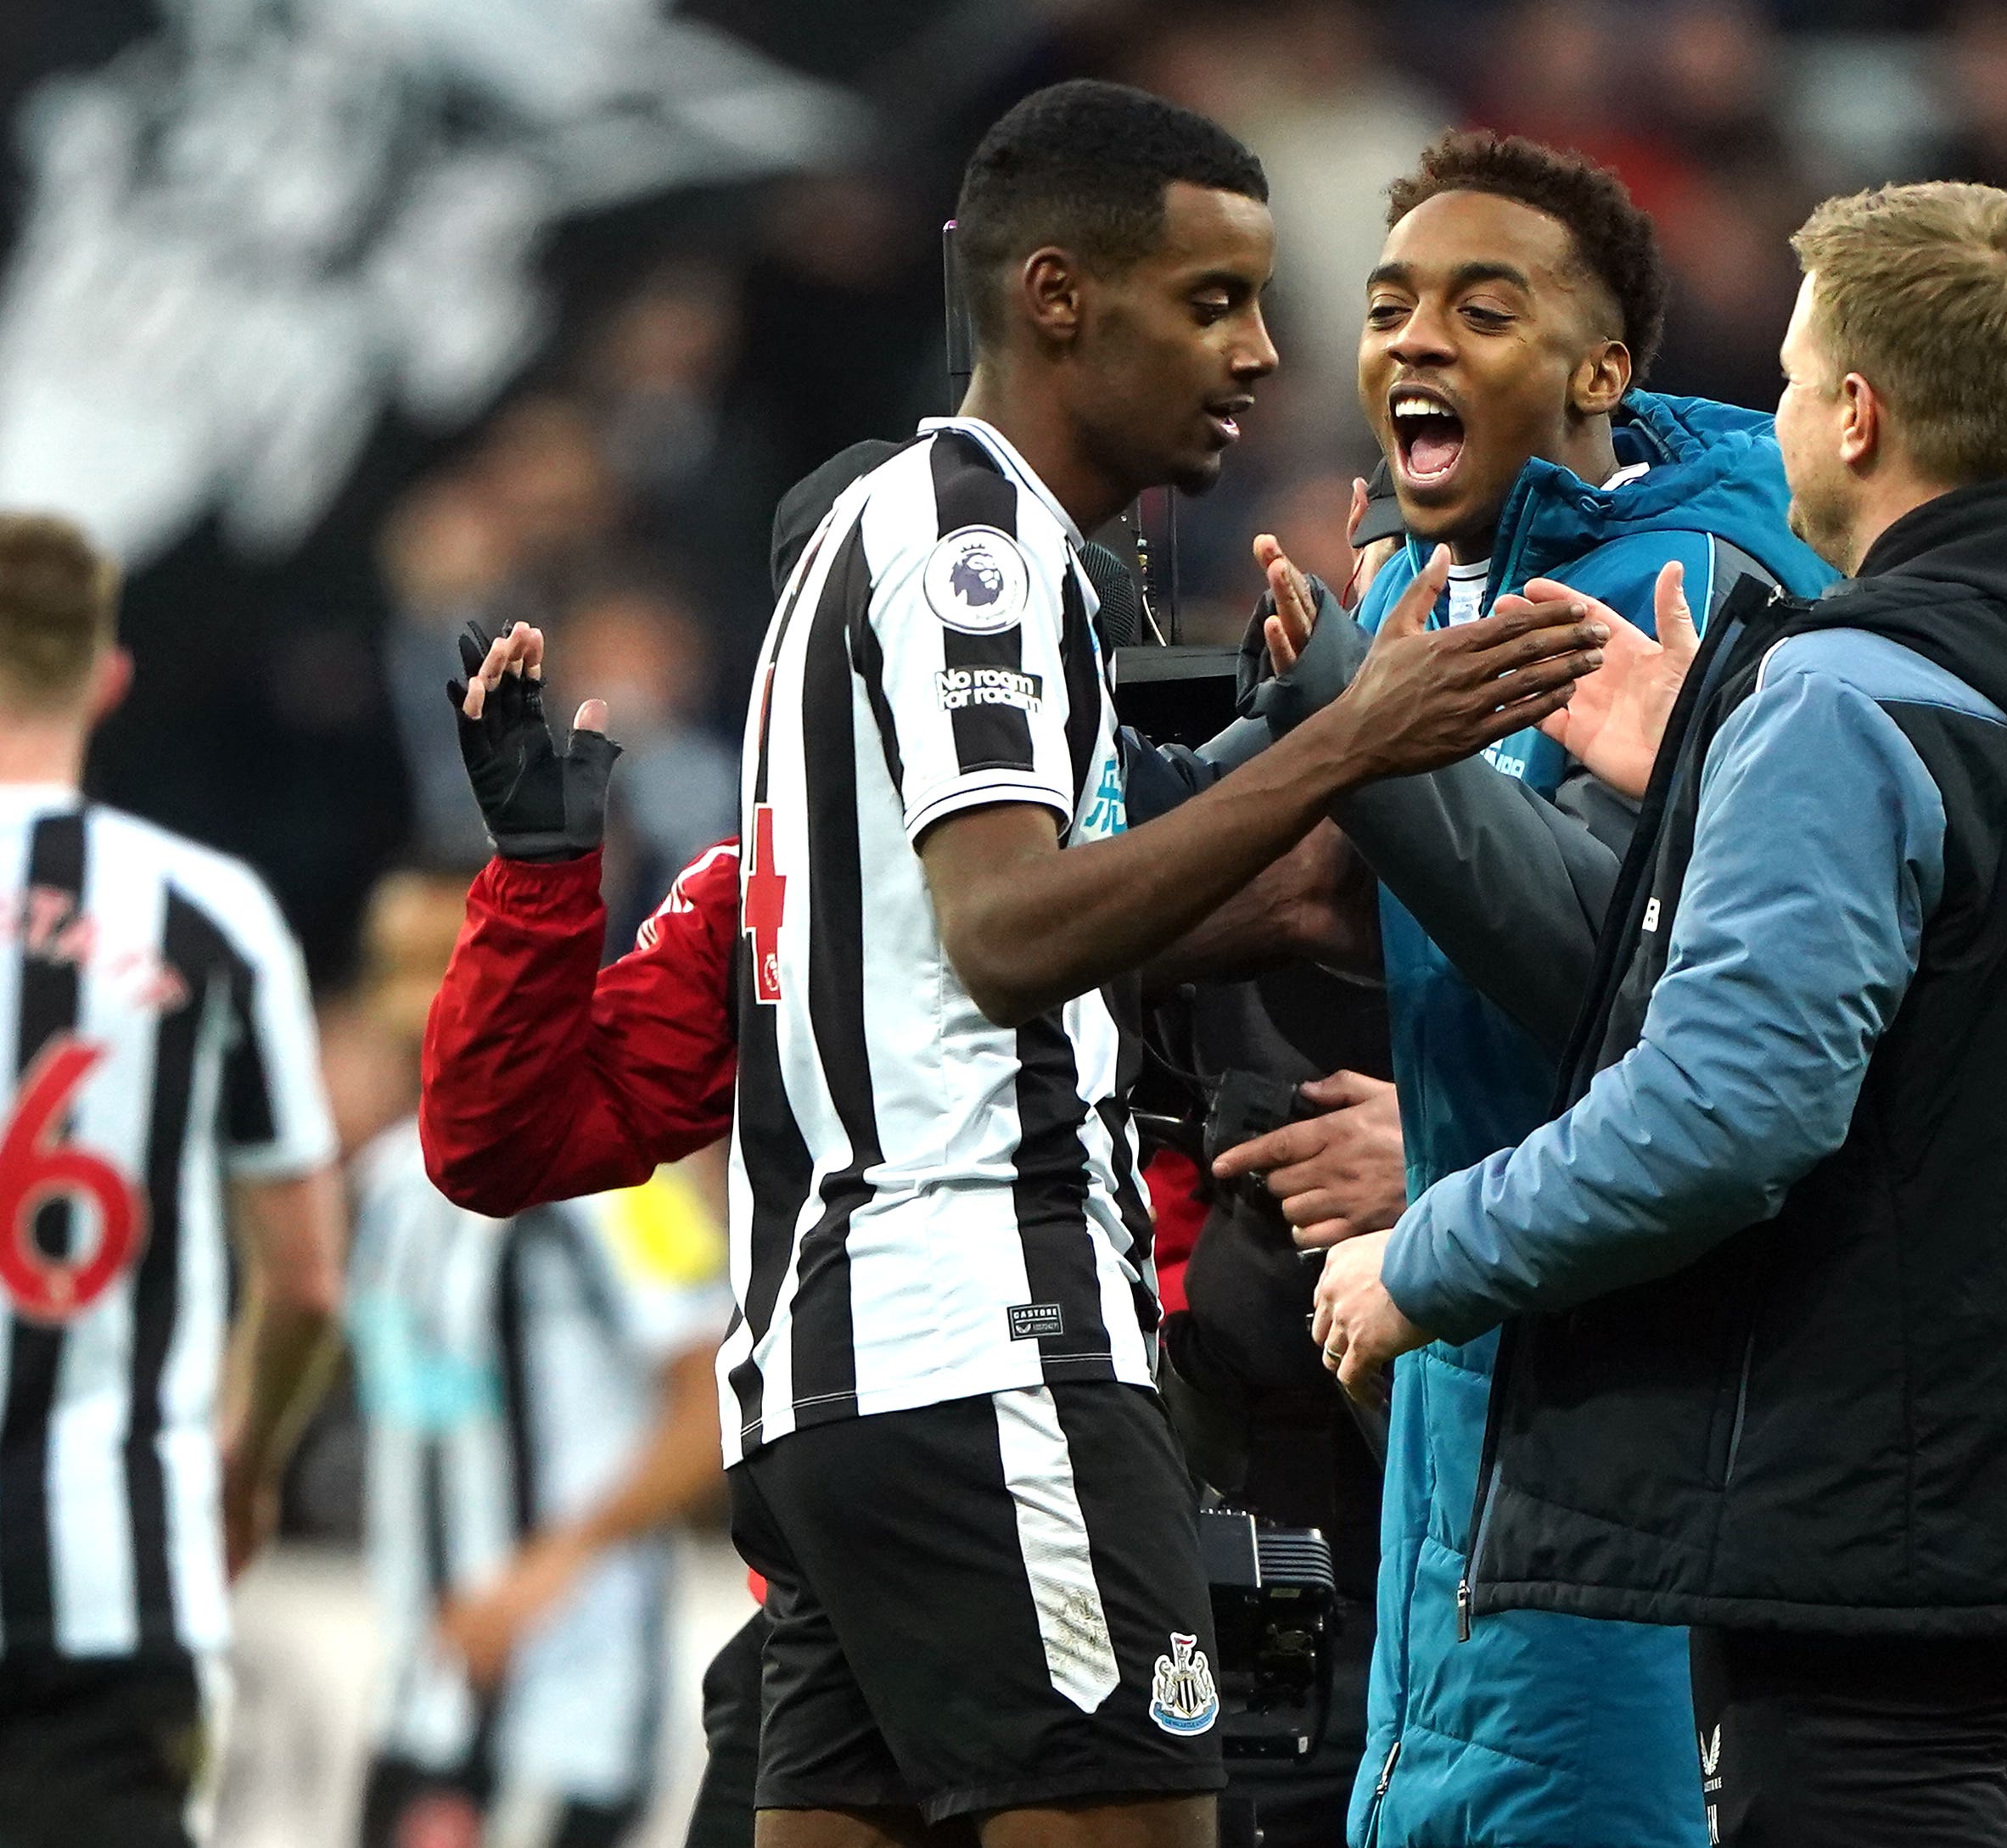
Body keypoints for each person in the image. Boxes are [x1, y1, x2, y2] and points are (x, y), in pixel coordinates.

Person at [440, 81, 1603, 1848]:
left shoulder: (884, 544)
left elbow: (1144, 914)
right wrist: (1358, 734)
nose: (1260, 356)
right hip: (996, 1356)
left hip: (831, 1395)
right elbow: (1003, 937)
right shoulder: (975, 546)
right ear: (1057, 297)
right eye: (1212, 302)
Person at [1312, 179, 2007, 1846]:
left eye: (1792, 374)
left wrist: (1422, 1260)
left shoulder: (1836, 696)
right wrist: (1708, 769)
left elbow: (1722, 1118)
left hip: (1883, 1548)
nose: (1768, 413)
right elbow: (1990, 1039)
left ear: (1855, 412)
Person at [1235, 130, 1837, 1848]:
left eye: (1477, 311)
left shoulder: (1694, 586)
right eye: (1389, 304)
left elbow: (1606, 974)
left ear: (1598, 369)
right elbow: (1382, 906)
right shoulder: (1446, 574)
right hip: (1470, 1367)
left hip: (1631, 1407)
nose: (1414, 342)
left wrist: (1358, 732)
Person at [0, 512, 346, 1848]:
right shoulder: (205, 912)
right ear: (105, 679)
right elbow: (308, 1276)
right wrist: (244, 1462)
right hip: (117, 1576)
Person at [345, 868, 727, 1848]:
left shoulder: (610, 1181)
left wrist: (546, 1569)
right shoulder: (385, 1188)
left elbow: (708, 1400)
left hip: (567, 1709)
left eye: (432, 977)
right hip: (416, 1694)